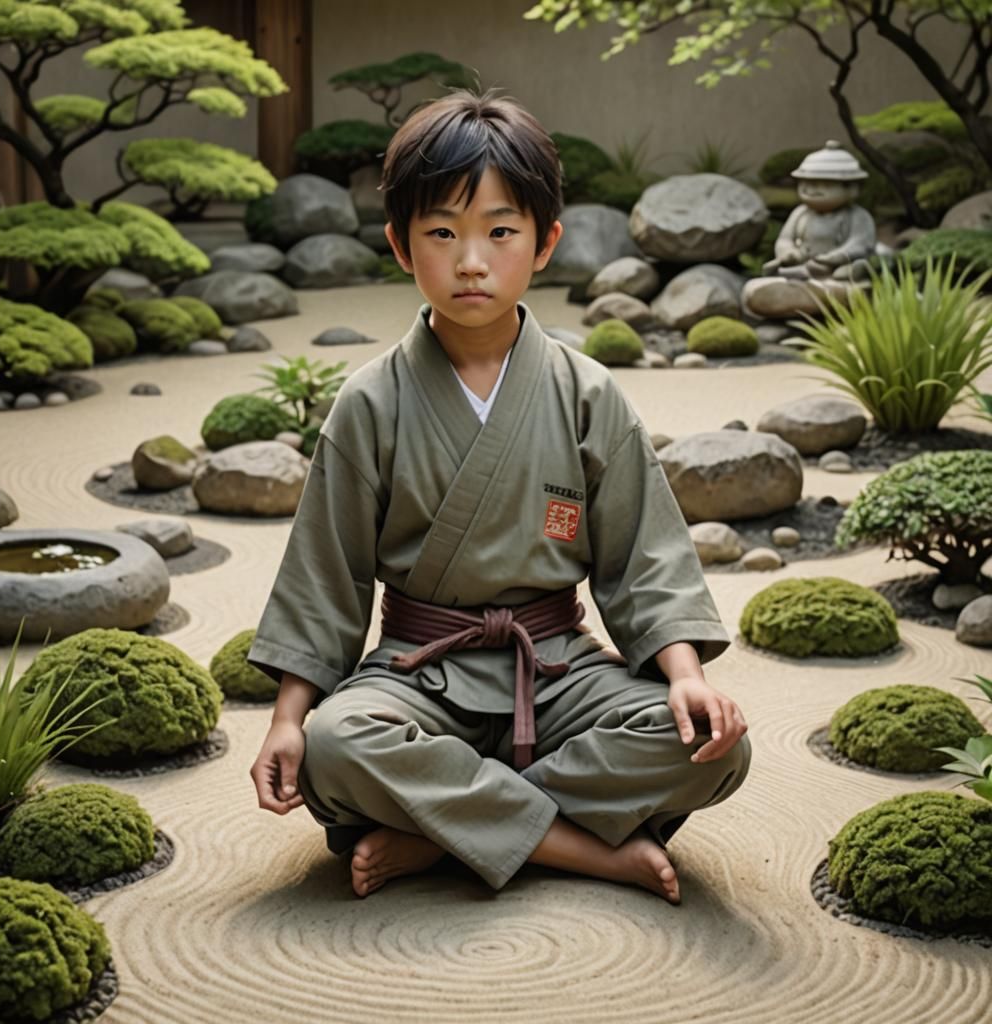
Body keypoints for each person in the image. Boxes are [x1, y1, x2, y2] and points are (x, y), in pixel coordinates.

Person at [248, 87, 751, 904]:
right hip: (421, 676)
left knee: (710, 745)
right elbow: (324, 576)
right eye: (442, 232)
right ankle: (574, 846)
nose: (471, 261)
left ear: (545, 242)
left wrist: (686, 674)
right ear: (400, 245)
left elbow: (645, 556)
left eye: (501, 231)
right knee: (334, 747)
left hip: (556, 670)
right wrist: (286, 719)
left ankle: (437, 832)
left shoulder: (586, 394)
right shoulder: (371, 401)